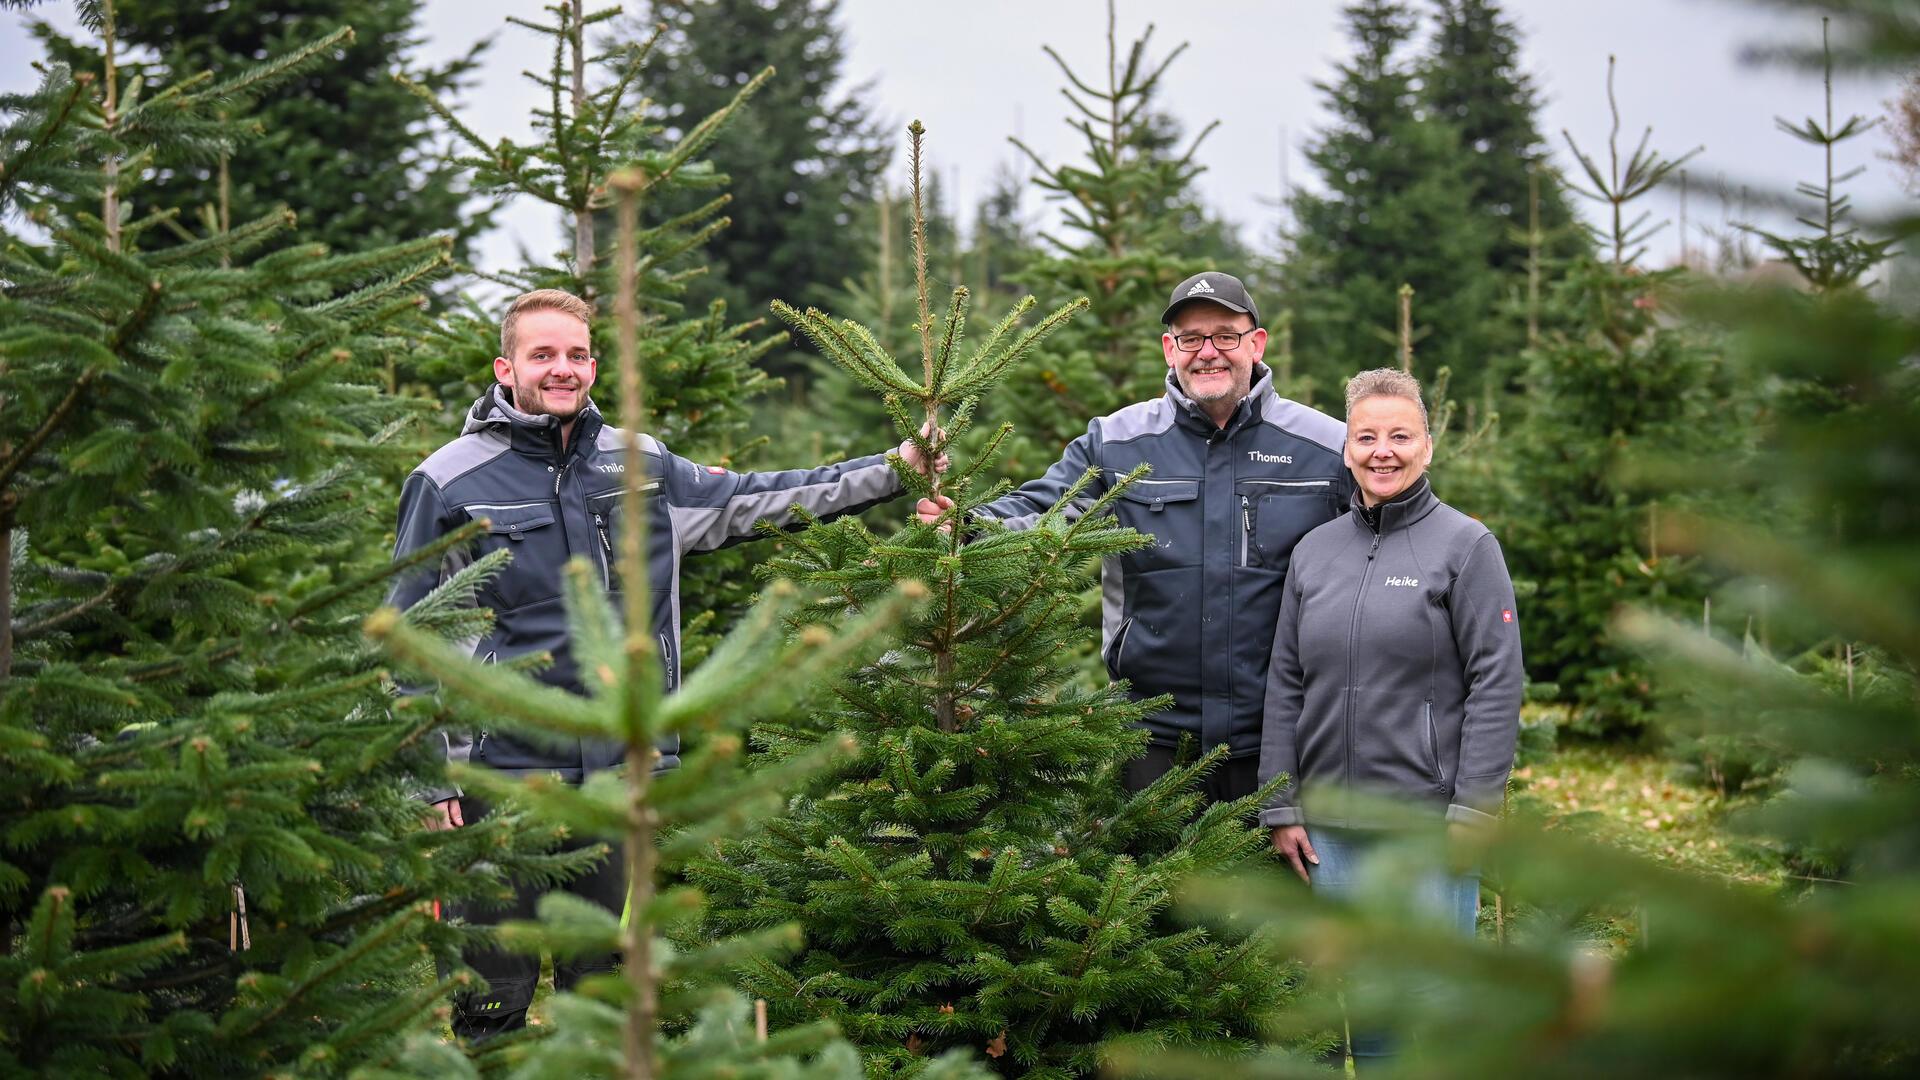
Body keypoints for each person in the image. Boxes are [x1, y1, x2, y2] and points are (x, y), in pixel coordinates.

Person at [388, 288, 937, 1040]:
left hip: (624, 768)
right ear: (505, 366)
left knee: (607, 983)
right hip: (503, 772)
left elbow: (759, 499)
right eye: (542, 355)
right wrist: (429, 778)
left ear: (593, 363)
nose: (562, 370)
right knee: (493, 989)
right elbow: (413, 635)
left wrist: (895, 469)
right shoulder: (449, 480)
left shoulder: (640, 462)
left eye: (576, 354)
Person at [917, 272, 1350, 802]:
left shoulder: (1327, 447)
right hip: (1152, 736)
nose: (1207, 352)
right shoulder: (1117, 442)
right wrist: (960, 525)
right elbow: (1045, 510)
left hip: (1285, 737)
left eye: (1225, 336)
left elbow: (1389, 539)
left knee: (1280, 886)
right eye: (1190, 338)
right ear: (1170, 349)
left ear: (1256, 343)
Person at [1257, 367, 1522, 1063]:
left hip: (1423, 828)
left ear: (1427, 447)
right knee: (1360, 1005)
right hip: (1328, 833)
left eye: (1400, 436)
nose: (1383, 451)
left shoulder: (1466, 547)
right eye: (1367, 436)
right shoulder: (1316, 553)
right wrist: (1280, 804)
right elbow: (1285, 681)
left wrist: (1474, 811)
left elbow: (1497, 683)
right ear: (1347, 448)